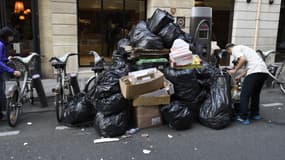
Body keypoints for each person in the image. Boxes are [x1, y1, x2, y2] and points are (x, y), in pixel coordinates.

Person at [226, 43, 268, 125]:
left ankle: (243, 117)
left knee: (244, 95)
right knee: (255, 94)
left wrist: (235, 70)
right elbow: (248, 68)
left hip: (255, 72)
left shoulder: (235, 49)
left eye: (230, 53)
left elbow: (243, 59)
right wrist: (240, 76)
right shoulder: (247, 50)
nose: (232, 55)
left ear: (229, 49)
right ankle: (255, 114)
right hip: (263, 72)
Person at [0, 27, 21, 120]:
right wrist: (12, 71)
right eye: (11, 36)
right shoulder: (1, 45)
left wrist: (6, 59)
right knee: (0, 93)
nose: (12, 38)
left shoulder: (2, 44)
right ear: (6, 36)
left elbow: (1, 59)